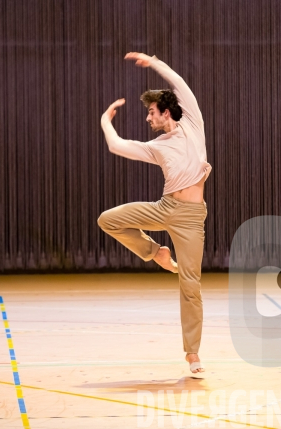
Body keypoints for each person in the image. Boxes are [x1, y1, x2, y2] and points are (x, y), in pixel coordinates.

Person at [97, 52, 212, 373]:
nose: (148, 119)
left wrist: (154, 62)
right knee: (108, 219)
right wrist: (105, 121)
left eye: (151, 112)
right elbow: (117, 146)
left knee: (191, 284)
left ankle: (193, 353)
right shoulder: (157, 147)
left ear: (166, 111)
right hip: (165, 208)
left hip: (191, 218)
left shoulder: (193, 124)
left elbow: (179, 83)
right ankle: (155, 252)